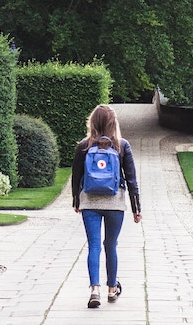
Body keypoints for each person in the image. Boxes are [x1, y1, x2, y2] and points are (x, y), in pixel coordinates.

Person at [72, 104, 142, 309]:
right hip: (115, 203)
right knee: (110, 245)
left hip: (90, 202)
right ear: (113, 123)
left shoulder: (84, 146)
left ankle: (95, 289)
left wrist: (77, 201)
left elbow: (76, 177)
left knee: (93, 245)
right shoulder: (121, 146)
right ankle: (112, 289)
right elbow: (131, 180)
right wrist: (136, 207)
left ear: (92, 122)